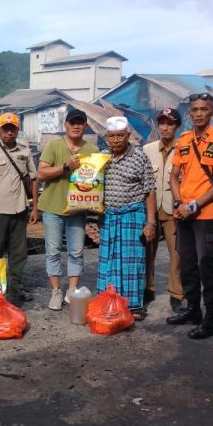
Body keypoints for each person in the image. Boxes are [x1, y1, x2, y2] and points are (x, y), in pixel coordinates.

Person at [167, 93, 213, 339]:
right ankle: (193, 310)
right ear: (189, 112)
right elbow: (174, 176)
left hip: (207, 214)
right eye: (194, 109)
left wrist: (194, 205)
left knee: (206, 266)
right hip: (183, 212)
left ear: (212, 112)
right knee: (187, 266)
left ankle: (211, 319)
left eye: (204, 109)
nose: (198, 113)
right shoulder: (183, 139)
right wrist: (178, 202)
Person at [37, 109, 99, 310]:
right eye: (72, 122)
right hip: (53, 208)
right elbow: (41, 173)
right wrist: (65, 166)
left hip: (77, 211)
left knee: (76, 251)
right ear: (65, 125)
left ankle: (72, 290)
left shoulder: (92, 150)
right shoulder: (54, 145)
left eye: (80, 122)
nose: (76, 126)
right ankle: (56, 291)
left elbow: (97, 181)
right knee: (53, 251)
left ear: (85, 125)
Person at [96, 116, 156, 319]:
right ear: (106, 138)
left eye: (120, 136)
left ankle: (134, 305)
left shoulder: (139, 157)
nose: (115, 140)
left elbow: (149, 191)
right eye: (111, 136)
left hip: (133, 216)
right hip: (109, 217)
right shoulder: (101, 158)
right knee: (109, 262)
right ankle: (108, 301)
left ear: (128, 136)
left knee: (133, 262)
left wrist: (150, 222)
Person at [0, 112, 39, 306]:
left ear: (16, 130)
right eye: (5, 129)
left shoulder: (25, 151)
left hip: (20, 208)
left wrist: (35, 208)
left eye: (12, 128)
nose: (8, 132)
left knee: (19, 252)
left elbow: (34, 178)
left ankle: (16, 290)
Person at [143, 108, 186, 314]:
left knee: (176, 253)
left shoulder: (184, 149)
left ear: (177, 126)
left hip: (173, 209)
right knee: (146, 252)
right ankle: (147, 289)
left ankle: (176, 294)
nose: (165, 127)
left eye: (170, 123)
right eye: (162, 123)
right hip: (150, 208)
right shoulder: (147, 149)